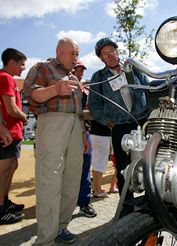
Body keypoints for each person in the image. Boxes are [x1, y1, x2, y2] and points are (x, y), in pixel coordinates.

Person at [24, 38, 89, 245]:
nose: (75, 58)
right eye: (72, 53)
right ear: (59, 51)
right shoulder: (42, 67)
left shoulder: (74, 77)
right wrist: (54, 89)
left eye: (77, 54)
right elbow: (30, 93)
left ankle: (61, 226)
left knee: (72, 179)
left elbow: (77, 111)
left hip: (75, 127)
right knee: (49, 179)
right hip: (52, 123)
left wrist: (82, 133)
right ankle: (46, 239)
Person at [88, 38, 150, 210]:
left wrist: (149, 113)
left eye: (112, 51)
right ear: (101, 59)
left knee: (149, 164)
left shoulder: (133, 69)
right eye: (105, 54)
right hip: (120, 127)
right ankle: (127, 208)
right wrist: (107, 121)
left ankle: (150, 203)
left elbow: (149, 89)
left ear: (117, 52)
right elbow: (93, 105)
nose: (110, 55)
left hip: (142, 122)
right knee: (123, 169)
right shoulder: (99, 77)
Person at [0, 48, 27, 225]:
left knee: (12, 167)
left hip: (12, 131)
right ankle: (1, 210)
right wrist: (24, 116)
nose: (23, 69)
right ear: (12, 63)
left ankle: (5, 201)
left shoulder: (6, 78)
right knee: (3, 171)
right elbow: (11, 108)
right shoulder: (5, 78)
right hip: (8, 133)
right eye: (21, 65)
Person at [73, 61, 97, 218]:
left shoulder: (83, 89)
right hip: (70, 131)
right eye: (78, 70)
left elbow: (82, 112)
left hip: (84, 130)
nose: (80, 74)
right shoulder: (65, 85)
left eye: (82, 71)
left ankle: (84, 202)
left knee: (85, 168)